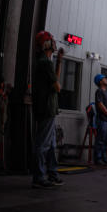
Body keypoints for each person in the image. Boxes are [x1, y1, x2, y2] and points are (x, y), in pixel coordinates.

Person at [32, 31, 65, 188]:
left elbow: (54, 81)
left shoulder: (46, 62)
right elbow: (57, 86)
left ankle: (52, 173)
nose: (54, 43)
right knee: (43, 144)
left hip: (48, 109)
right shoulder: (44, 63)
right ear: (46, 44)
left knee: (51, 144)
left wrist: (59, 61)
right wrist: (56, 85)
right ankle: (39, 177)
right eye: (51, 41)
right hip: (46, 108)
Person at [93, 74, 107, 165]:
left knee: (106, 140)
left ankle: (103, 158)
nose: (106, 79)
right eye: (104, 78)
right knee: (100, 139)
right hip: (102, 119)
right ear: (100, 81)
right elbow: (100, 104)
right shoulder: (99, 91)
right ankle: (98, 159)